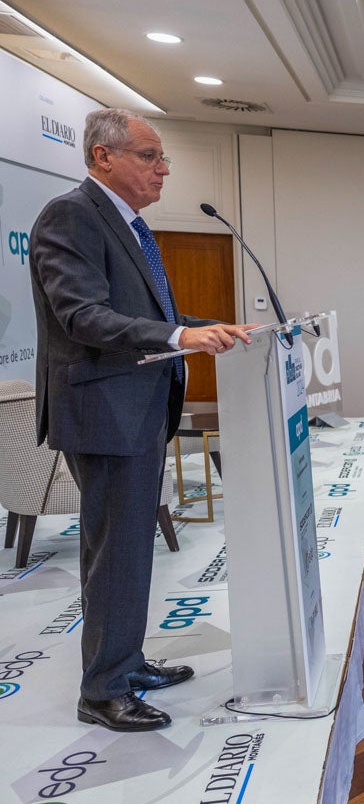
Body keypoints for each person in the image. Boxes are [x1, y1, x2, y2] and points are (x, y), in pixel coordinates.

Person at [30, 108, 256, 732]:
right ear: (104, 157)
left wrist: (219, 328)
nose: (163, 170)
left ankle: (124, 664)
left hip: (137, 405)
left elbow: (146, 312)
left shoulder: (128, 227)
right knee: (116, 551)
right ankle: (102, 690)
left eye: (164, 159)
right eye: (150, 156)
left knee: (129, 547)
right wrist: (184, 333)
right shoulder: (71, 215)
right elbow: (83, 316)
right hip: (105, 408)